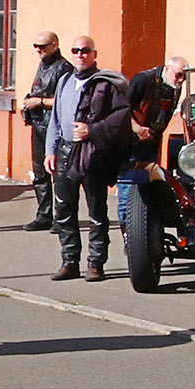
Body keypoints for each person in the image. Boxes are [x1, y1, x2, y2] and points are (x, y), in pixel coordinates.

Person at [44, 36, 132, 281]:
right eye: (76, 50)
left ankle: (96, 263)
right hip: (64, 152)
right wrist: (50, 150)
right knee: (64, 210)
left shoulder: (105, 83)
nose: (80, 55)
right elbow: (56, 120)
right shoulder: (64, 81)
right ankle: (69, 261)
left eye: (85, 51)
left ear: (94, 55)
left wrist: (91, 131)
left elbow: (120, 119)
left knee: (96, 211)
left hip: (92, 154)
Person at [119, 55, 189, 228]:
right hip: (129, 143)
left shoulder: (174, 87)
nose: (181, 80)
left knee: (149, 188)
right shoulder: (143, 80)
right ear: (167, 69)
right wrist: (136, 128)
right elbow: (121, 108)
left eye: (184, 77)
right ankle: (129, 234)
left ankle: (144, 232)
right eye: (178, 75)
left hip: (151, 143)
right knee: (129, 191)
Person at [20, 31, 74, 232]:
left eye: (42, 46)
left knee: (59, 173)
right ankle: (44, 214)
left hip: (55, 126)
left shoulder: (64, 68)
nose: (38, 50)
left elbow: (65, 100)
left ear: (54, 45)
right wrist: (29, 103)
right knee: (39, 172)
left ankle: (62, 218)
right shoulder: (42, 65)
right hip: (38, 124)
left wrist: (40, 102)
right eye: (36, 46)